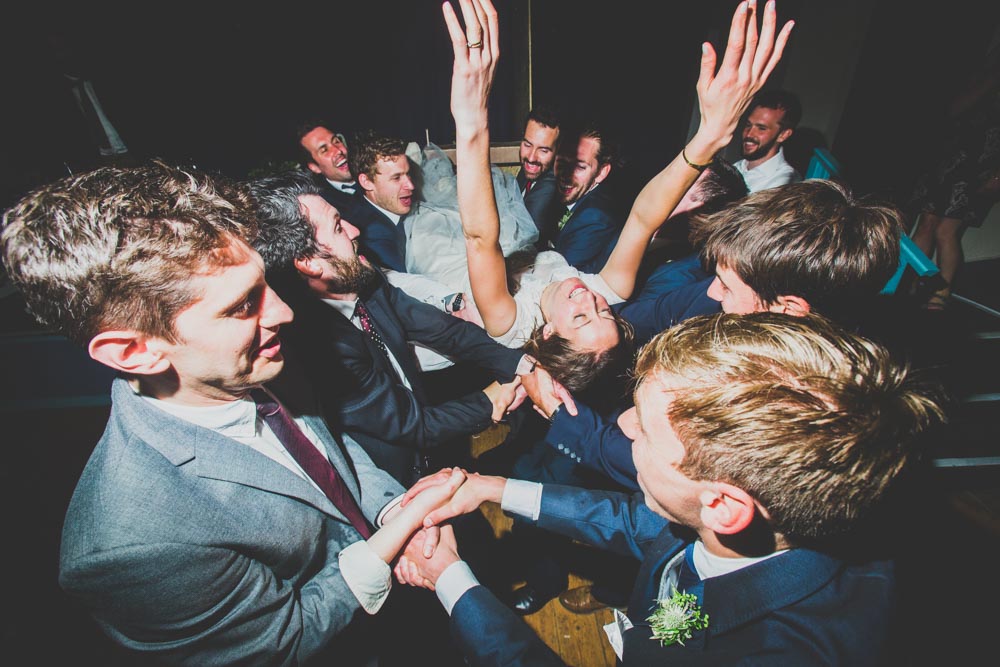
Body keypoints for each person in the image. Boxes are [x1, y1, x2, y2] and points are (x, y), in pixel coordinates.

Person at [1, 161, 468, 665]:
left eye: (264, 285)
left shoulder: (256, 365)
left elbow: (328, 449)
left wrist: (393, 509)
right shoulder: (130, 546)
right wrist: (392, 540)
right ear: (135, 352)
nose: (283, 314)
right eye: (242, 306)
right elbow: (282, 643)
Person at [397, 311, 943, 666]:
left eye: (646, 429)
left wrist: (450, 578)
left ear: (725, 506)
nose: (624, 426)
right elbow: (641, 523)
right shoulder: (757, 525)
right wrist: (488, 487)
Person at [250, 170, 531, 485]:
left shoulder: (365, 281)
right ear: (309, 262)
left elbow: (446, 331)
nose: (355, 231)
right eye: (339, 227)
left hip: (434, 442)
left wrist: (519, 363)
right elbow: (413, 426)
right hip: (393, 479)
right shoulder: (322, 348)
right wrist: (491, 401)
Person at [907, 46, 1000, 310]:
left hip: (979, 165)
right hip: (947, 158)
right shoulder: (982, 74)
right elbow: (954, 110)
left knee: (947, 230)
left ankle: (940, 294)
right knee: (926, 223)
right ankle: (911, 285)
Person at [538, 119, 624, 273]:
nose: (567, 176)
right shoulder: (560, 197)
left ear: (601, 173)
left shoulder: (595, 217)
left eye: (579, 167)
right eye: (562, 163)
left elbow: (557, 276)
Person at [347, 130, 415, 273]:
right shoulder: (372, 237)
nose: (410, 185)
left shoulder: (382, 207)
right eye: (396, 178)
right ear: (366, 182)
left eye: (408, 174)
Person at [733, 89, 802, 192]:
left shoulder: (784, 183)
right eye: (748, 125)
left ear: (783, 135)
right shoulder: (737, 167)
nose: (749, 134)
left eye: (761, 128)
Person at [296, 120, 361, 217]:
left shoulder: (375, 170)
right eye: (324, 150)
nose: (338, 151)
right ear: (315, 167)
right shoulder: (326, 207)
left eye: (336, 141)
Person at [516, 105, 563, 229]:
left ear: (557, 150)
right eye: (527, 144)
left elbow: (523, 235)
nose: (531, 158)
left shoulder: (550, 185)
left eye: (543, 150)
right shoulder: (531, 168)